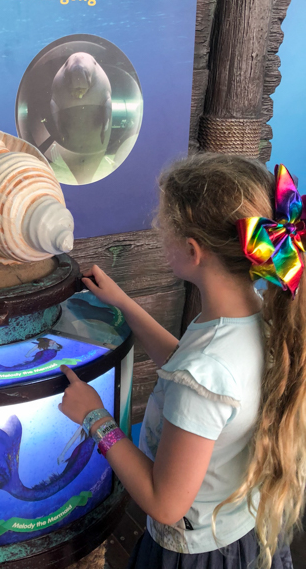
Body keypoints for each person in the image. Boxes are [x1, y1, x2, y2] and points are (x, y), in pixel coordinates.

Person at [59, 154, 306, 569]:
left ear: (192, 251)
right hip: (243, 530)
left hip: (198, 557)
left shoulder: (208, 369)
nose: (160, 236)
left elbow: (165, 504)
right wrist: (123, 304)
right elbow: (187, 369)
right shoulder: (261, 317)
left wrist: (95, 417)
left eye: (163, 229)